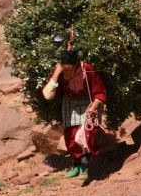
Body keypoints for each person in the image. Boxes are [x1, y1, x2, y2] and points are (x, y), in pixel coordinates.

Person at [42, 49, 106, 180]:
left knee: (86, 136)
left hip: (89, 102)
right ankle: (75, 166)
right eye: (65, 70)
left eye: (71, 70)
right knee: (71, 137)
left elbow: (99, 92)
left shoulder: (87, 69)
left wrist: (93, 108)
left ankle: (84, 166)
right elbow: (48, 95)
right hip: (70, 102)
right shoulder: (60, 73)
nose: (69, 73)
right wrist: (57, 72)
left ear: (77, 64)